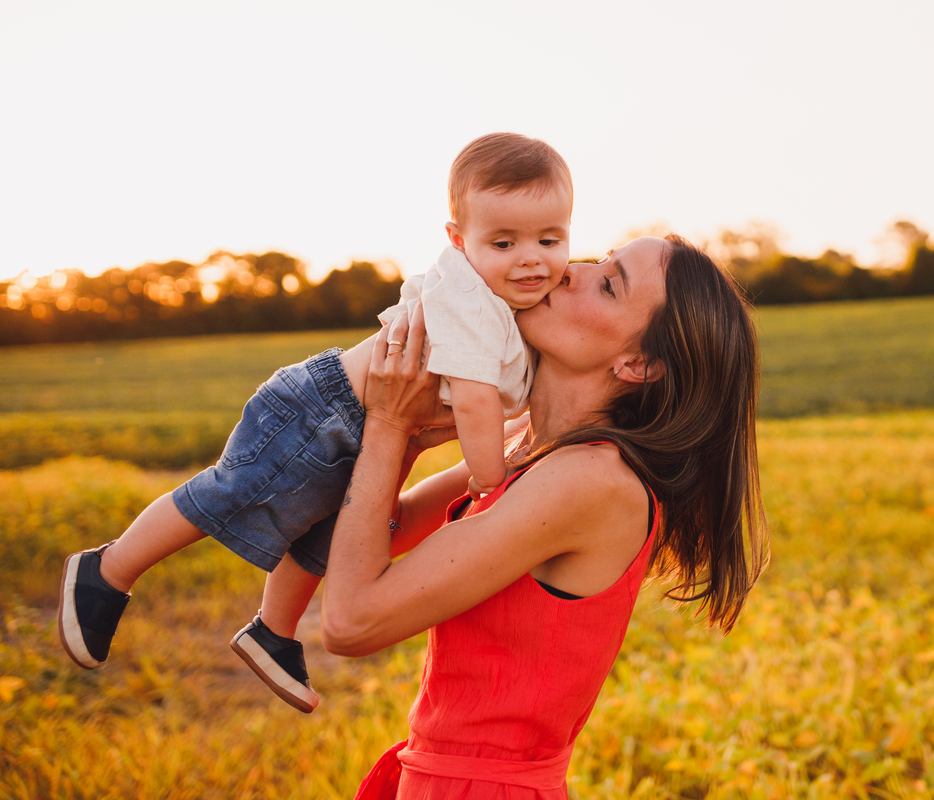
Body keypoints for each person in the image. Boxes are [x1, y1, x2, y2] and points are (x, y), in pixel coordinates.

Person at [56, 133, 573, 713]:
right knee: (232, 490)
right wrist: (491, 482)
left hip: (377, 426)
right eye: (504, 241)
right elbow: (477, 401)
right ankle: (109, 569)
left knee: (323, 535)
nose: (532, 257)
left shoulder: (518, 302)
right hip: (323, 407)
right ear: (459, 241)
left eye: (550, 239)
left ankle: (272, 631)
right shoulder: (472, 298)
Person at [318, 235, 769, 799]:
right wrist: (406, 438)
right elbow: (391, 528)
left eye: (608, 284)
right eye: (597, 258)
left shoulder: (592, 480)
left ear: (638, 363)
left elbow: (351, 621)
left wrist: (385, 424)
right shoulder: (527, 447)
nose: (566, 271)